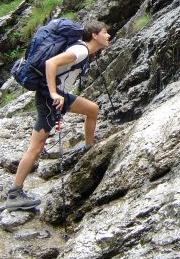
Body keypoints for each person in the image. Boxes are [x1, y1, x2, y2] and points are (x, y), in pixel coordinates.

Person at [6, 20, 110, 210]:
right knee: (36, 148)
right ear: (95, 35)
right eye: (105, 32)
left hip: (59, 96)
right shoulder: (81, 51)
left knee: (92, 109)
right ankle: (15, 193)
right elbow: (50, 63)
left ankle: (88, 147)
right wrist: (54, 94)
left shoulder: (83, 50)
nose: (108, 35)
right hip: (50, 99)